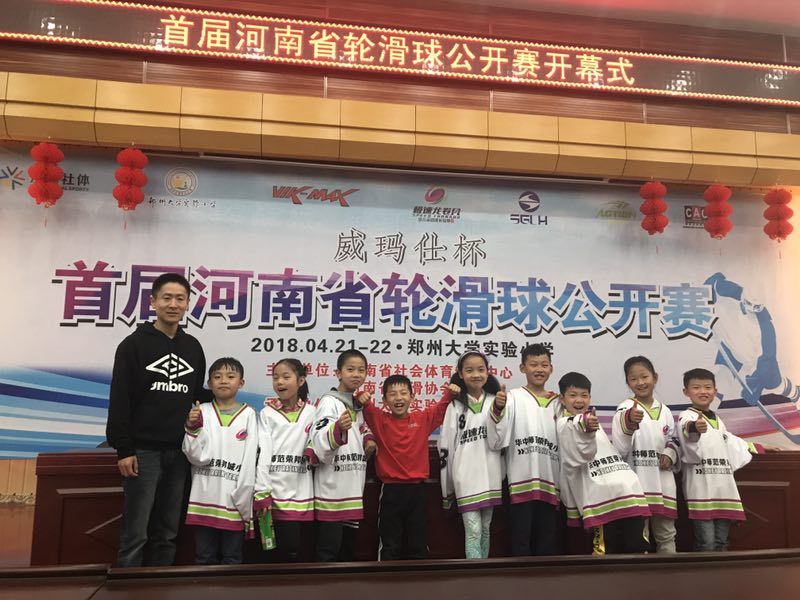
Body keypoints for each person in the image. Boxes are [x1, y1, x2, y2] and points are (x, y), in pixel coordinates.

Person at [106, 272, 209, 567]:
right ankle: (128, 586)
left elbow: (196, 394)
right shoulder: (133, 345)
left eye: (180, 299)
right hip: (142, 453)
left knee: (168, 531)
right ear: (153, 302)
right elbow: (120, 399)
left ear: (187, 304)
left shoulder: (193, 347)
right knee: (135, 533)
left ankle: (160, 585)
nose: (173, 304)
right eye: (167, 298)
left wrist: (229, 397)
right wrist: (124, 449)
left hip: (180, 452)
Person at [356, 374, 455, 560]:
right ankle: (386, 578)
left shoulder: (422, 419)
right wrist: (361, 396)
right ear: (384, 400)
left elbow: (442, 406)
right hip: (390, 491)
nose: (398, 398)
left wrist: (451, 393)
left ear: (412, 397)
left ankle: (420, 579)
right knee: (390, 544)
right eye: (392, 394)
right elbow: (363, 402)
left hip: (418, 491)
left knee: (419, 544)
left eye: (403, 393)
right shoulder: (379, 419)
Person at [679, 368, 773, 552]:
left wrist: (758, 447)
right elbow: (687, 430)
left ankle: (719, 572)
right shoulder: (687, 416)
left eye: (707, 387)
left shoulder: (717, 420)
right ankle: (704, 572)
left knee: (721, 543)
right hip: (701, 488)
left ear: (715, 391)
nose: (703, 391)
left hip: (722, 488)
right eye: (696, 387)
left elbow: (731, 442)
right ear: (686, 392)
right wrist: (695, 428)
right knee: (706, 543)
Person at [557, 372, 650, 555]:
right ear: (562, 399)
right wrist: (586, 425)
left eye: (584, 395)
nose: (579, 400)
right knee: (607, 548)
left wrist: (629, 420)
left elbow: (621, 447)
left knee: (636, 545)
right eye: (573, 395)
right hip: (599, 496)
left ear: (590, 398)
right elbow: (579, 436)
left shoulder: (595, 423)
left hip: (626, 490)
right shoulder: (564, 423)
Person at [487, 343, 562, 556]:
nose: (539, 369)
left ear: (551, 369)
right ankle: (521, 577)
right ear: (523, 368)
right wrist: (498, 407)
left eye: (544, 365)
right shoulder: (513, 397)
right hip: (521, 479)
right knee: (520, 538)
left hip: (550, 478)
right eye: (533, 364)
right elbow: (497, 436)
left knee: (547, 538)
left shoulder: (559, 402)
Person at [183, 357, 258, 565]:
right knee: (203, 557)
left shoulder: (249, 414)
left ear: (241, 383)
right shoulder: (201, 411)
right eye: (217, 377)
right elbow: (196, 456)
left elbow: (250, 458)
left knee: (232, 557)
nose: (223, 381)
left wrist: (244, 492)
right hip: (204, 496)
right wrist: (192, 427)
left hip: (234, 497)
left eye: (230, 376)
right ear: (209, 383)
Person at [311, 349, 377, 562]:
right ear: (338, 373)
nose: (356, 374)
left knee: (348, 549)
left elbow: (363, 429)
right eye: (350, 369)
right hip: (333, 488)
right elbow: (319, 439)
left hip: (352, 485)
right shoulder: (329, 402)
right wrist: (338, 428)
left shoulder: (357, 404)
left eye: (361, 370)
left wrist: (369, 440)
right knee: (329, 549)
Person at [438, 351, 505, 559]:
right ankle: (475, 572)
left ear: (488, 372)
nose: (476, 374)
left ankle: (483, 570)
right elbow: (446, 446)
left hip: (491, 475)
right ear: (460, 373)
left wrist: (500, 409)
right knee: (473, 531)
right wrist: (448, 487)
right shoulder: (454, 406)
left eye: (481, 369)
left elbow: (502, 441)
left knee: (485, 528)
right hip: (465, 478)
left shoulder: (496, 401)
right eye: (469, 370)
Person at [611, 356, 679, 553]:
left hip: (663, 481)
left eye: (644, 376)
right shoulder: (625, 408)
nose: (640, 382)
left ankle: (670, 569)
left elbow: (673, 439)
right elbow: (620, 447)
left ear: (655, 377)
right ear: (628, 383)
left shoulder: (665, 411)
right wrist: (630, 421)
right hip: (638, 481)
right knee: (640, 535)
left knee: (667, 533)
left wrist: (669, 453)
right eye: (633, 379)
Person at [254, 358, 316, 562]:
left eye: (286, 377)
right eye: (275, 378)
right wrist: (262, 492)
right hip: (272, 496)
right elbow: (263, 455)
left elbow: (322, 446)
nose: (279, 382)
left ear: (301, 381)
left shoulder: (312, 413)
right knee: (270, 555)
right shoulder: (267, 413)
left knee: (296, 552)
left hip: (302, 496)